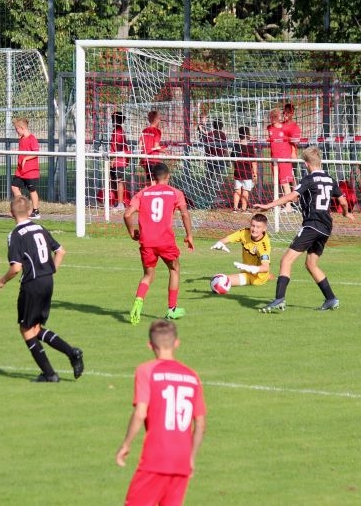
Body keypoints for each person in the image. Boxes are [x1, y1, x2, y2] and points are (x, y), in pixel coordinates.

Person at [116, 319, 206, 506]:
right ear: (176, 343)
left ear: (150, 345)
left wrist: (126, 444)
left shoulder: (146, 371)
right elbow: (200, 424)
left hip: (155, 460)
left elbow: (140, 413)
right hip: (181, 463)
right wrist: (191, 457)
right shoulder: (192, 375)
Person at [255, 146, 354, 312]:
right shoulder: (330, 179)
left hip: (312, 224)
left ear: (307, 164)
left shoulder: (309, 179)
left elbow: (292, 196)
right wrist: (345, 214)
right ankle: (331, 299)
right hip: (326, 227)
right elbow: (343, 201)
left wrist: (269, 206)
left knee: (286, 260)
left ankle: (279, 299)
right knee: (311, 263)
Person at [0, 197, 84, 382]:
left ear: (11, 213)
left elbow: (16, 267)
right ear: (29, 212)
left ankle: (50, 373)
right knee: (35, 328)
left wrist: (3, 280)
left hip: (32, 284)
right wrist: (51, 270)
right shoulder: (40, 228)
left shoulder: (16, 235)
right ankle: (71, 353)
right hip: (47, 281)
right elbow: (61, 251)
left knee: (26, 329)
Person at [123, 163, 194, 324]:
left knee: (148, 275)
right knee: (174, 269)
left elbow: (127, 215)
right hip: (165, 240)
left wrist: (131, 232)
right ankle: (172, 309)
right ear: (168, 176)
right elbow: (185, 214)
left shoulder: (143, 193)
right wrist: (189, 235)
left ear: (153, 177)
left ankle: (138, 303)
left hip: (147, 241)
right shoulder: (175, 193)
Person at [210, 213, 272, 289]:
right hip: (245, 271)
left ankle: (266, 278)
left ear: (264, 228)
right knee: (216, 279)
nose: (254, 229)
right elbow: (228, 239)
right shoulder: (245, 232)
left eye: (258, 227)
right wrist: (220, 243)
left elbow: (266, 267)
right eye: (253, 225)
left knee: (219, 281)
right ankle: (269, 277)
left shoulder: (264, 246)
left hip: (257, 278)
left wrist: (252, 269)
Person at [10, 117, 41, 219]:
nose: (16, 131)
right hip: (20, 171)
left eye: (16, 129)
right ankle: (23, 208)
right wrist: (15, 150)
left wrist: (25, 159)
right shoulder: (21, 139)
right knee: (14, 187)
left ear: (22, 128)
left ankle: (35, 211)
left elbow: (36, 152)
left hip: (30, 171)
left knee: (32, 190)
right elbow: (22, 149)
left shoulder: (32, 138)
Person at [266, 107, 297, 198]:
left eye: (275, 117)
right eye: (271, 117)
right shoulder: (269, 128)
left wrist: (294, 153)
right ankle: (280, 204)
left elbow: (293, 142)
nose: (272, 119)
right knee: (277, 182)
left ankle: (288, 207)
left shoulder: (286, 128)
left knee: (285, 183)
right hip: (274, 159)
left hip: (285, 159)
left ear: (279, 117)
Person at [232, 126, 259, 211]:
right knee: (245, 191)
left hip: (237, 172)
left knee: (237, 190)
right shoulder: (250, 148)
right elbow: (254, 162)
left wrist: (235, 167)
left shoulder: (235, 147)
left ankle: (235, 208)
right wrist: (255, 174)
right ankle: (244, 208)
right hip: (247, 173)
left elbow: (232, 159)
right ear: (248, 135)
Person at [109, 111, 131, 211]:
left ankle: (121, 203)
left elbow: (117, 146)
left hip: (119, 159)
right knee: (113, 180)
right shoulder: (116, 130)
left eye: (116, 119)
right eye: (113, 119)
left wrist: (113, 159)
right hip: (116, 158)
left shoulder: (118, 131)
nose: (114, 121)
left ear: (120, 120)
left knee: (119, 180)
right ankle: (116, 201)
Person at [139, 110, 166, 183]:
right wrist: (164, 150)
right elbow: (156, 146)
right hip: (153, 159)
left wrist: (141, 157)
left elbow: (140, 145)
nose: (160, 120)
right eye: (159, 119)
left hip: (145, 158)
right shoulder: (157, 131)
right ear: (156, 119)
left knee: (148, 179)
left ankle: (147, 192)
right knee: (154, 180)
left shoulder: (144, 130)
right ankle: (152, 193)